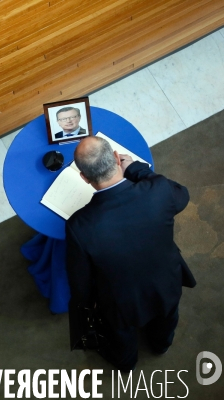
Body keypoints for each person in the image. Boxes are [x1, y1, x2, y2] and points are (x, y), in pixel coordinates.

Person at [66, 137, 196, 372]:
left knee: (120, 333)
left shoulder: (79, 226)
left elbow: (80, 282)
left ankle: (125, 363)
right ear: (117, 159)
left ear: (84, 178)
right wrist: (136, 168)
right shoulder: (158, 190)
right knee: (167, 318)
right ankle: (161, 345)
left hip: (121, 302)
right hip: (166, 283)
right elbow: (182, 195)